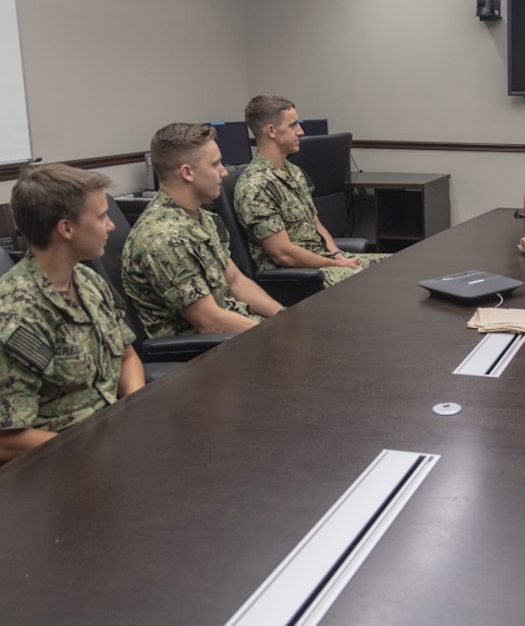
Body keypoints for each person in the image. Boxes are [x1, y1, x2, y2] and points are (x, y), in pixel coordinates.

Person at [0, 164, 144, 462]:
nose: (111, 226)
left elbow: (127, 356)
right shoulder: (19, 315)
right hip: (59, 465)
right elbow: (7, 440)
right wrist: (93, 451)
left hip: (113, 441)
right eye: (102, 217)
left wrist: (134, 413)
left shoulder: (88, 281)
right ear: (66, 228)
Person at [122, 122, 284, 338]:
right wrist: (277, 334)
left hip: (239, 331)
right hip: (203, 352)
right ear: (187, 173)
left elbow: (235, 281)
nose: (224, 172)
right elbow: (210, 323)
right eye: (215, 165)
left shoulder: (202, 218)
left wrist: (282, 317)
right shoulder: (163, 238)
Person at [233, 95, 388, 287]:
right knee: (379, 284)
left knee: (399, 267)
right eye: (293, 125)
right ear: (271, 131)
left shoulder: (293, 172)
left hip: (326, 261)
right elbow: (283, 254)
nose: (301, 131)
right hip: (299, 275)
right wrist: (336, 264)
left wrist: (338, 255)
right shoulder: (255, 185)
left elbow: (316, 224)